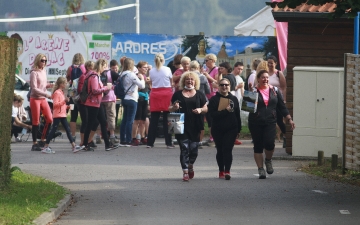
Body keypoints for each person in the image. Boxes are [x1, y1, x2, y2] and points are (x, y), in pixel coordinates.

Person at [248, 70, 295, 179]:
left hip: (270, 121)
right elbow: (248, 108)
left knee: (270, 144)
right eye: (263, 77)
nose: (265, 79)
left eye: (267, 77)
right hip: (255, 122)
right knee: (258, 146)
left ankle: (268, 160)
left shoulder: (275, 90)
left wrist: (289, 119)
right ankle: (260, 169)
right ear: (258, 79)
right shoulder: (253, 90)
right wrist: (250, 94)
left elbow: (282, 107)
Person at [169, 71, 208, 181]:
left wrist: (201, 109)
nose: (189, 81)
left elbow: (206, 108)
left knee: (194, 149)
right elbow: (169, 108)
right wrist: (174, 108)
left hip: (196, 124)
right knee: (184, 148)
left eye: (191, 79)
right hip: (180, 124)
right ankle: (185, 171)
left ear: (195, 81)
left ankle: (190, 165)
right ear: (183, 81)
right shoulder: (177, 94)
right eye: (187, 79)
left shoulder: (200, 94)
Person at [82, 59, 120, 151]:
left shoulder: (95, 75)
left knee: (103, 122)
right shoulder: (94, 76)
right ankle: (85, 144)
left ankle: (107, 144)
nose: (106, 69)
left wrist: (108, 87)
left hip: (96, 102)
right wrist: (106, 88)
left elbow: (97, 88)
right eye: (105, 66)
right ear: (101, 66)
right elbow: (95, 90)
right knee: (91, 123)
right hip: (93, 103)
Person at [208, 78, 241, 180]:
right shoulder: (213, 99)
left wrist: (238, 129)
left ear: (229, 86)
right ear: (219, 86)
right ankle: (221, 170)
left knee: (227, 149)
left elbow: (237, 114)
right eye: (222, 85)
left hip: (231, 128)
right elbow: (213, 115)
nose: (224, 87)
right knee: (220, 150)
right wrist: (226, 111)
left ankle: (227, 171)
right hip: (218, 128)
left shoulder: (234, 99)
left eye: (226, 85)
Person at [42, 77, 83, 153]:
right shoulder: (57, 93)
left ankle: (73, 146)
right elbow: (55, 105)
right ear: (61, 84)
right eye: (64, 83)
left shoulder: (60, 92)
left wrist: (67, 106)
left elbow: (60, 105)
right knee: (54, 130)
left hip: (62, 114)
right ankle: (45, 146)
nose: (66, 84)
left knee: (67, 130)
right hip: (58, 114)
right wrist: (64, 101)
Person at [147, 53, 174, 148]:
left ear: (155, 61)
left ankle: (150, 143)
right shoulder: (168, 69)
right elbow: (171, 83)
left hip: (155, 94)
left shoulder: (151, 71)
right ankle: (169, 143)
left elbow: (151, 83)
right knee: (167, 119)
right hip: (166, 94)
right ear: (163, 60)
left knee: (154, 119)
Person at [118, 58, 145, 146]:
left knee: (124, 120)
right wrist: (142, 78)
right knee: (130, 120)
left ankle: (122, 139)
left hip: (124, 98)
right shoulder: (131, 75)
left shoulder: (121, 74)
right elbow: (142, 85)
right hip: (132, 98)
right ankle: (129, 140)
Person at [29, 53, 53, 151]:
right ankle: (34, 143)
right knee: (36, 121)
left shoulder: (44, 71)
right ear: (37, 61)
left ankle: (42, 139)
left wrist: (50, 85)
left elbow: (42, 84)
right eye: (42, 60)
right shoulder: (34, 72)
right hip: (35, 98)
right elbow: (34, 88)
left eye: (45, 61)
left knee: (50, 119)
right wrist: (46, 94)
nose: (44, 63)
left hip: (42, 99)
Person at [267, 55, 288, 147]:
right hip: (268, 100)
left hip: (277, 100)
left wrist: (284, 100)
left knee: (279, 120)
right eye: (268, 62)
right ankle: (267, 139)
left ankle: (286, 136)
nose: (270, 64)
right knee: (268, 120)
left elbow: (283, 88)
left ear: (276, 63)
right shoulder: (265, 74)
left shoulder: (279, 73)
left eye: (271, 63)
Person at [99, 59, 120, 145]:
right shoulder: (111, 73)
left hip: (100, 97)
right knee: (111, 117)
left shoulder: (98, 73)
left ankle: (98, 136)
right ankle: (111, 136)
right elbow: (119, 80)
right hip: (110, 97)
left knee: (99, 118)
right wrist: (114, 86)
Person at [189, 60, 210, 147]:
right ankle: (199, 141)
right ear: (198, 67)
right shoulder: (203, 77)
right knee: (201, 122)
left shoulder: (188, 76)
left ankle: (190, 140)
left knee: (190, 121)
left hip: (190, 99)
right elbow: (208, 91)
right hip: (201, 100)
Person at [77, 61, 98, 148]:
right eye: (93, 67)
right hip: (83, 102)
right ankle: (83, 141)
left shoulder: (92, 76)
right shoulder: (84, 76)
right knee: (85, 122)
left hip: (89, 102)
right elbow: (80, 90)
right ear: (89, 67)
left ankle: (89, 139)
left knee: (95, 122)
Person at [66, 53, 86, 142]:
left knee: (73, 115)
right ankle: (83, 134)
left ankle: (73, 136)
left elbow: (67, 79)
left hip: (72, 93)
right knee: (83, 115)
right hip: (81, 93)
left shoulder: (70, 68)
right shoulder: (83, 67)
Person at [131, 61, 149, 146]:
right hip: (139, 99)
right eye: (144, 67)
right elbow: (137, 89)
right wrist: (142, 80)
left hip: (145, 99)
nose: (146, 69)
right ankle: (134, 138)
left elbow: (148, 88)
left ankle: (142, 137)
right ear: (139, 68)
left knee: (143, 120)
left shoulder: (145, 77)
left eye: (146, 67)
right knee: (137, 120)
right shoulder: (137, 76)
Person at [202, 54, 219, 143]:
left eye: (206, 60)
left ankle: (214, 136)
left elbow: (217, 82)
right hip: (207, 95)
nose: (205, 62)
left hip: (213, 95)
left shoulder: (216, 70)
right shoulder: (207, 70)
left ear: (212, 60)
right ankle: (211, 136)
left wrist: (207, 76)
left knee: (212, 117)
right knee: (208, 117)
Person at [232, 62, 245, 145]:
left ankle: (235, 137)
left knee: (237, 120)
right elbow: (228, 89)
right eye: (238, 69)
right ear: (234, 67)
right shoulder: (230, 76)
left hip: (238, 101)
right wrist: (237, 87)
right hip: (232, 101)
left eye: (241, 69)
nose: (240, 71)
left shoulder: (240, 78)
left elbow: (242, 92)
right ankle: (232, 138)